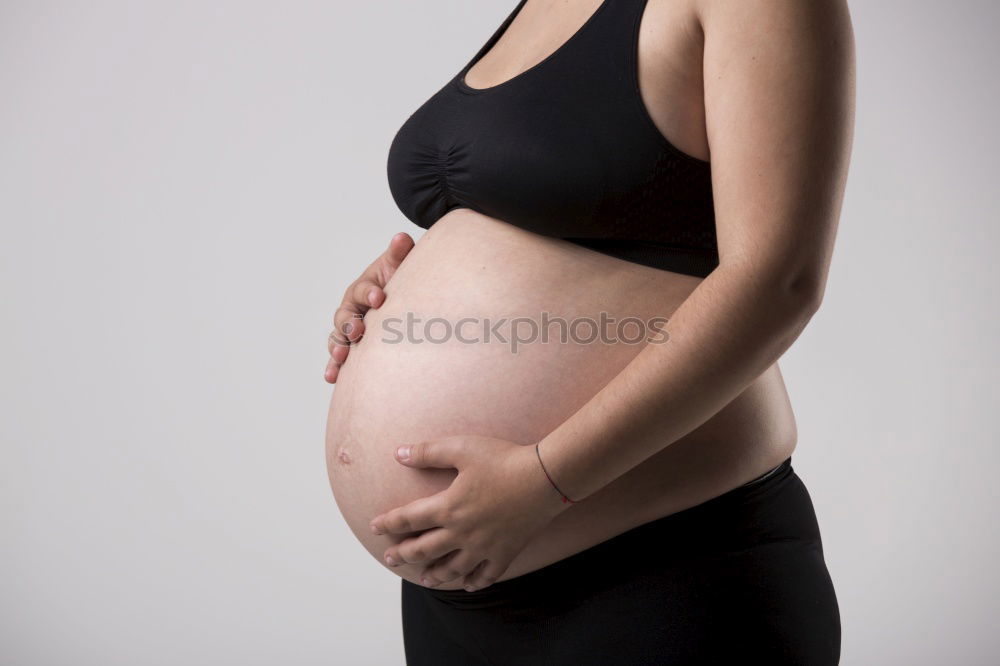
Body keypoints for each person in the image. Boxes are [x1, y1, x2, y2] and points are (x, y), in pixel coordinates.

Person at [325, 0, 854, 663]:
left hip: (665, 571)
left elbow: (778, 282)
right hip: (461, 597)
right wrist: (403, 281)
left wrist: (547, 480)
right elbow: (566, 205)